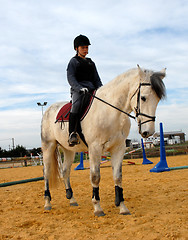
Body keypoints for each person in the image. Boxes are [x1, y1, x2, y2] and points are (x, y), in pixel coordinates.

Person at [67, 34, 103, 146]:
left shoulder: (91, 63)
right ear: (76, 48)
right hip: (79, 90)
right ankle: (72, 133)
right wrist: (79, 88)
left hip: (92, 90)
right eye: (83, 47)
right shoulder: (73, 62)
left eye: (87, 47)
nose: (85, 50)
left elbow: (96, 79)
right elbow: (71, 78)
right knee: (76, 105)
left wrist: (102, 89)